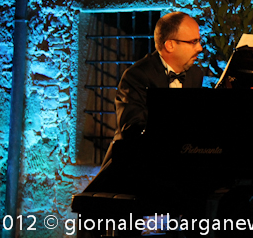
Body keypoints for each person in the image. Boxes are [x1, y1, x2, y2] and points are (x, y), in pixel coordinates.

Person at [83, 11, 204, 191]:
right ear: (170, 45)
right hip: (133, 169)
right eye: (193, 42)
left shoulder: (195, 74)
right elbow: (132, 129)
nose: (200, 48)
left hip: (177, 166)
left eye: (199, 41)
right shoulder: (137, 75)